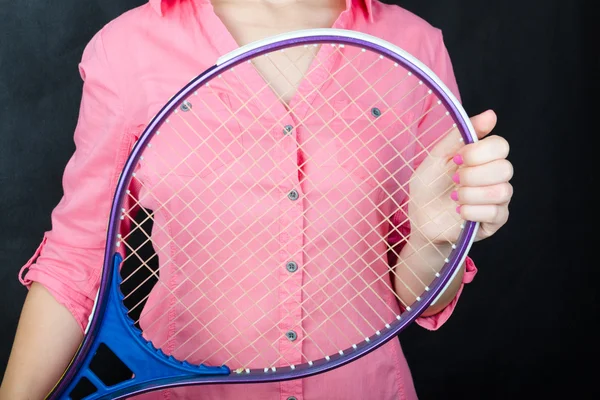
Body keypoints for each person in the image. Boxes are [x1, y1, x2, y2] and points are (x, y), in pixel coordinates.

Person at [0, 1, 513, 399]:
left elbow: (419, 297)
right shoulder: (129, 49)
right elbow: (78, 261)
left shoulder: (413, 47)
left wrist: (432, 237)